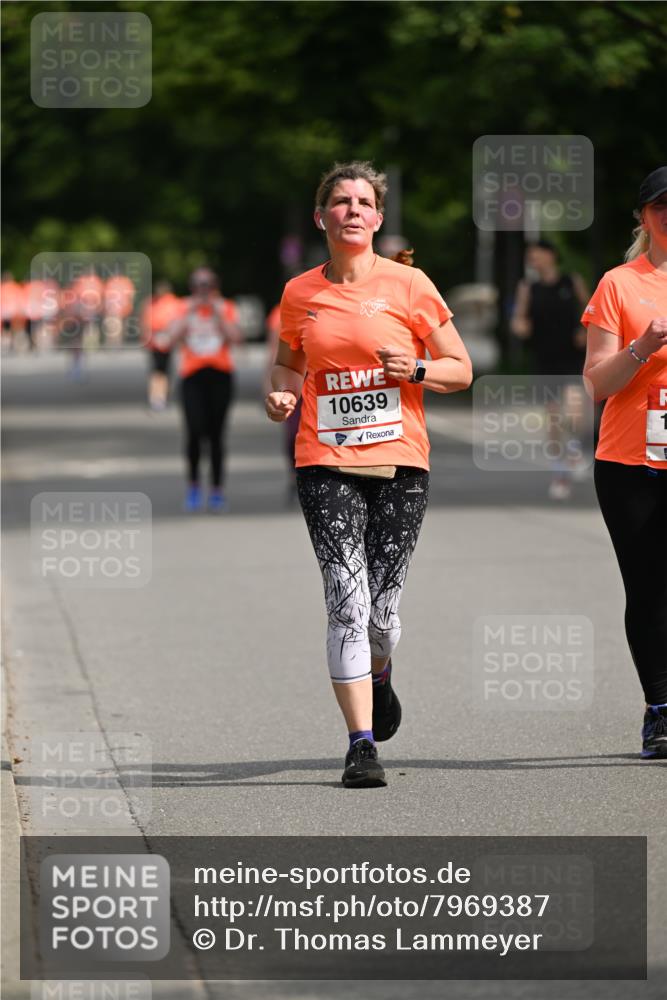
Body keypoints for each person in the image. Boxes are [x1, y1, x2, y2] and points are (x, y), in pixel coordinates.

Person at [265, 161, 472, 788]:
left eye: (363, 202)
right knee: (347, 603)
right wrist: (278, 396)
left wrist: (413, 370)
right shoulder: (300, 293)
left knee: (383, 613)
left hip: (401, 462)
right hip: (325, 462)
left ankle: (381, 672)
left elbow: (460, 370)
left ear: (378, 218)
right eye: (340, 201)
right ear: (321, 217)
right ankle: (360, 745)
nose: (352, 209)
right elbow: (286, 369)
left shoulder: (409, 285)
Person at [582, 166, 667, 759]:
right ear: (644, 217)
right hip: (631, 461)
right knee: (650, 587)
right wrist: (643, 346)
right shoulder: (619, 284)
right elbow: (596, 384)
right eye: (662, 206)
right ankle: (660, 709)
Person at [511, 240, 590, 499]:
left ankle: (575, 451)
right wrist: (520, 327)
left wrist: (584, 331)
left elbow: (592, 313)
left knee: (575, 412)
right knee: (554, 418)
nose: (533, 260)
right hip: (544, 359)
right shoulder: (528, 288)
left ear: (551, 256)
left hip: (572, 356)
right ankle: (560, 472)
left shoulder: (571, 282)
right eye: (530, 256)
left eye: (537, 255)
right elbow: (519, 319)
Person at [169, 267, 242, 513]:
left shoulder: (226, 307)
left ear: (215, 286)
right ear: (191, 287)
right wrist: (190, 313)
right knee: (194, 432)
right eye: (198, 285)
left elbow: (236, 338)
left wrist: (217, 314)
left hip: (220, 375)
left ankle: (217, 489)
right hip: (192, 376)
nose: (203, 290)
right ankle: (193, 486)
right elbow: (170, 339)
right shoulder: (183, 307)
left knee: (216, 435)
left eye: (207, 285)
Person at [264, 301, 303, 503]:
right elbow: (274, 350)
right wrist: (268, 383)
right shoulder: (280, 311)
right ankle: (292, 475)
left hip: (319, 383)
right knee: (292, 434)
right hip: (293, 383)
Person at [140, 280, 182, 411]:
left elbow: (178, 322)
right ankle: (156, 397)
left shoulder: (174, 303)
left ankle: (161, 397)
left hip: (166, 340)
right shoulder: (152, 303)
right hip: (155, 341)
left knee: (163, 371)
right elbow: (146, 322)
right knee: (157, 371)